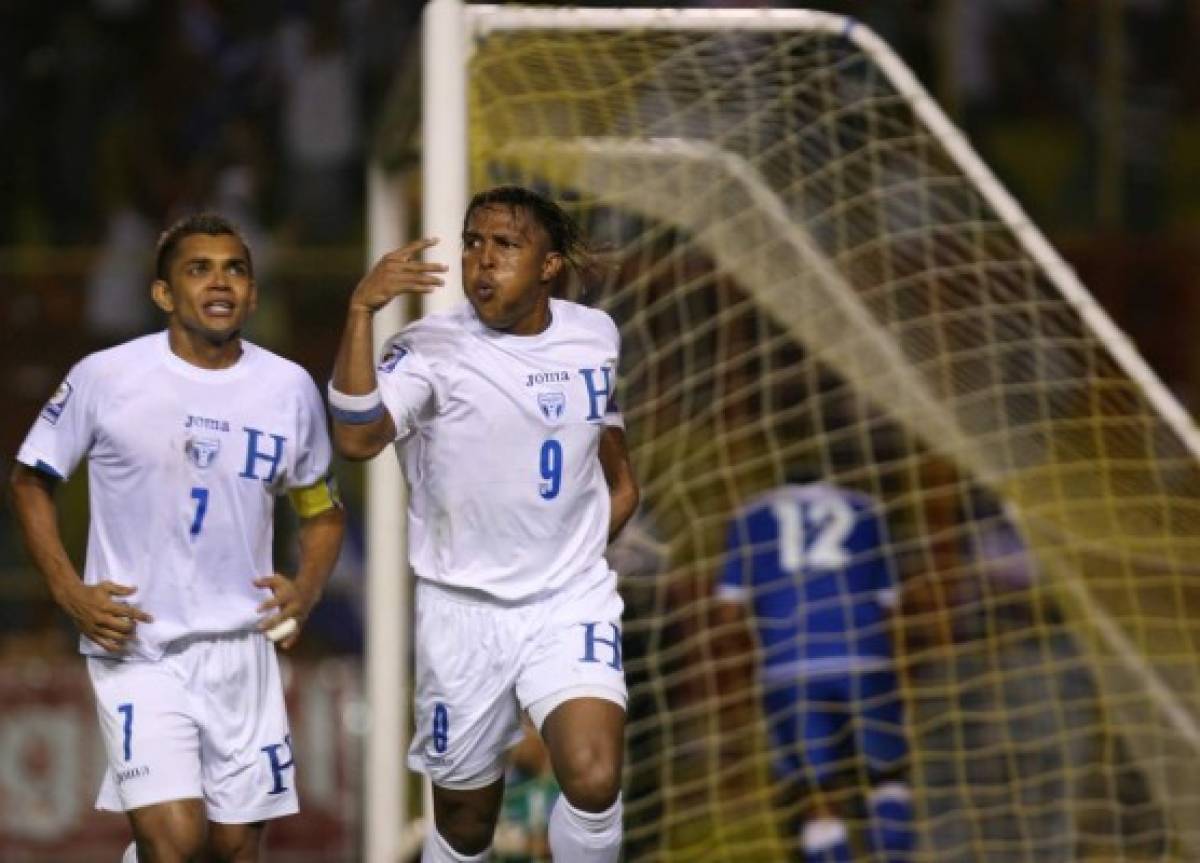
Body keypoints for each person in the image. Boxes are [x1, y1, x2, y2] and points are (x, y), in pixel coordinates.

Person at [9, 213, 346, 863]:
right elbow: (30, 480)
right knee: (177, 842)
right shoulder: (106, 377)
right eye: (199, 268)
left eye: (235, 269)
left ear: (252, 293)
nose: (220, 282)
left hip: (244, 650)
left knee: (233, 848)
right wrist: (68, 590)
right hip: (138, 645)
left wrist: (305, 589)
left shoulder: (289, 388)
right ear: (163, 293)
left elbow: (322, 509)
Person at [329, 185, 639, 862]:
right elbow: (357, 437)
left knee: (592, 774)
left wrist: (576, 546)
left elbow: (611, 459)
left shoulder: (595, 335)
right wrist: (361, 311)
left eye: (505, 245)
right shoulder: (430, 348)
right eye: (473, 242)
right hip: (462, 610)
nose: (482, 260)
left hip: (567, 598)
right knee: (467, 824)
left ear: (550, 265)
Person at [712, 474, 914, 863]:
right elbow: (891, 602)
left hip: (789, 667)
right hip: (867, 658)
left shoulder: (750, 515)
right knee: (887, 775)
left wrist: (738, 684)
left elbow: (728, 610)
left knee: (815, 792)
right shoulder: (866, 508)